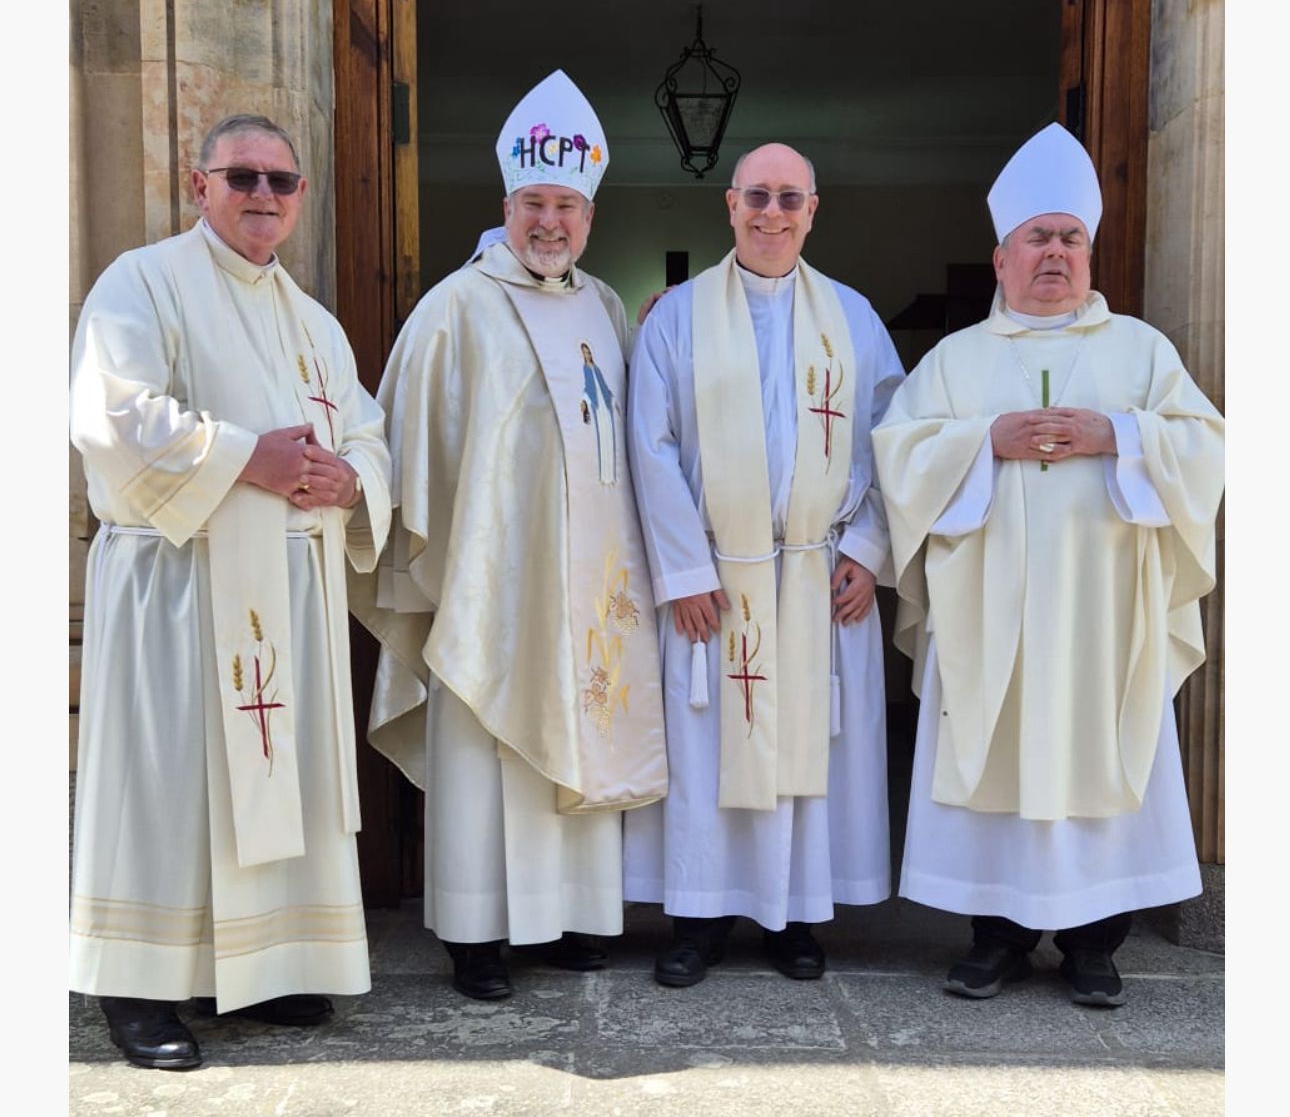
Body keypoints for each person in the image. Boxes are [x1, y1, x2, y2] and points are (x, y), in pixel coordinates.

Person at [872, 123, 1224, 1007]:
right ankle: (993, 937)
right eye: (1040, 237)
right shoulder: (956, 360)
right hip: (988, 608)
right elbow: (898, 455)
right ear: (1002, 257)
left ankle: (1094, 944)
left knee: (1093, 747)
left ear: (1090, 252)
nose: (1057, 253)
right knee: (994, 749)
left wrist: (1123, 434)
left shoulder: (1141, 351)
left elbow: (1208, 446)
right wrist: (983, 440)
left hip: (1103, 612)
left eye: (1071, 237)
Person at [69, 114, 392, 1068]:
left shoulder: (314, 321)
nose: (263, 194)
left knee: (268, 776)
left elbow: (365, 429)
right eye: (242, 175)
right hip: (179, 580)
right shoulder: (143, 280)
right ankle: (136, 984)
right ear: (197, 183)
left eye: (282, 181)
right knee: (167, 780)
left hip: (286, 589)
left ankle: (260, 964)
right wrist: (245, 456)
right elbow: (111, 412)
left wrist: (354, 479)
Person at [351, 70, 667, 1001]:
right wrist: (437, 548)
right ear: (507, 204)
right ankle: (479, 931)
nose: (550, 222)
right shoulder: (456, 306)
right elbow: (408, 436)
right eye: (536, 202)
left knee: (576, 725)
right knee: (488, 744)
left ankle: (567, 914)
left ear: (589, 216)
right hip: (490, 578)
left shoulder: (605, 307)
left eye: (567, 206)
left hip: (589, 579)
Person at [623, 143, 904, 986]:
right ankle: (699, 918)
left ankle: (793, 917)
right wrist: (683, 570)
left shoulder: (853, 318)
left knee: (800, 747)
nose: (771, 213)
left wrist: (866, 548)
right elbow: (651, 442)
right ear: (729, 204)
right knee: (709, 754)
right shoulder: (676, 318)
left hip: (817, 580)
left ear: (813, 209)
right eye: (757, 196)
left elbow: (896, 438)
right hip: (715, 576)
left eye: (789, 198)